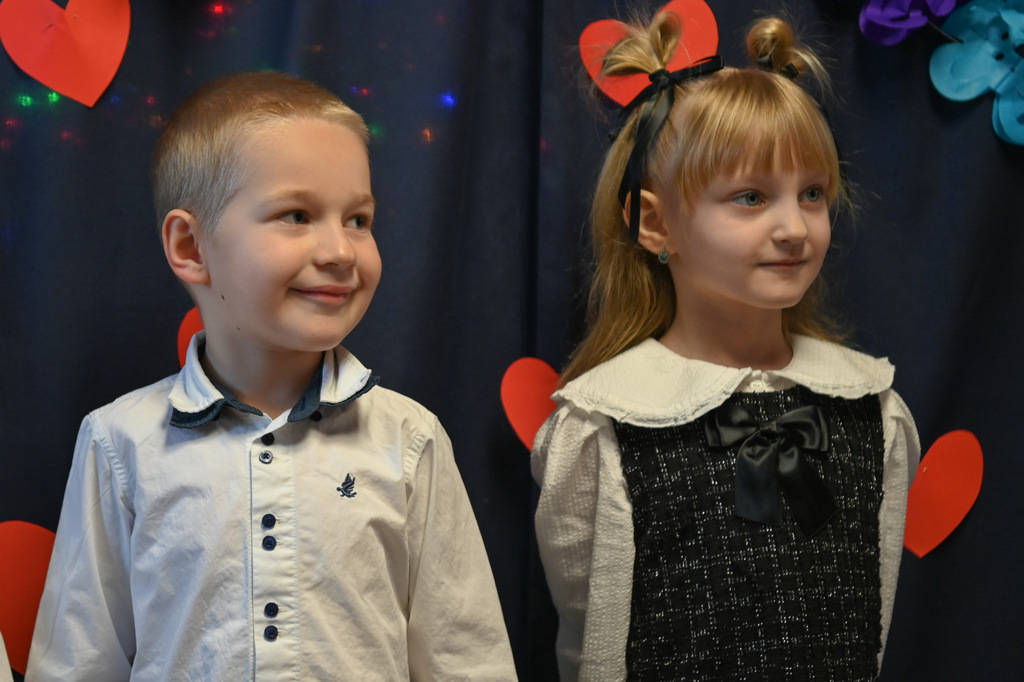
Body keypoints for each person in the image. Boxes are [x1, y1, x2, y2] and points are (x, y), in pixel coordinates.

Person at [27, 72, 516, 681]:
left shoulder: (409, 439)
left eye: (358, 219)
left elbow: (468, 660)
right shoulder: (120, 443)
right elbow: (77, 663)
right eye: (296, 215)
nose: (340, 251)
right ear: (191, 247)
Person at [532, 11, 920, 681]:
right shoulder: (604, 425)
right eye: (750, 197)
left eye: (812, 194)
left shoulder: (874, 412)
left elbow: (870, 629)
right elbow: (593, 640)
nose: (794, 227)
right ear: (655, 223)